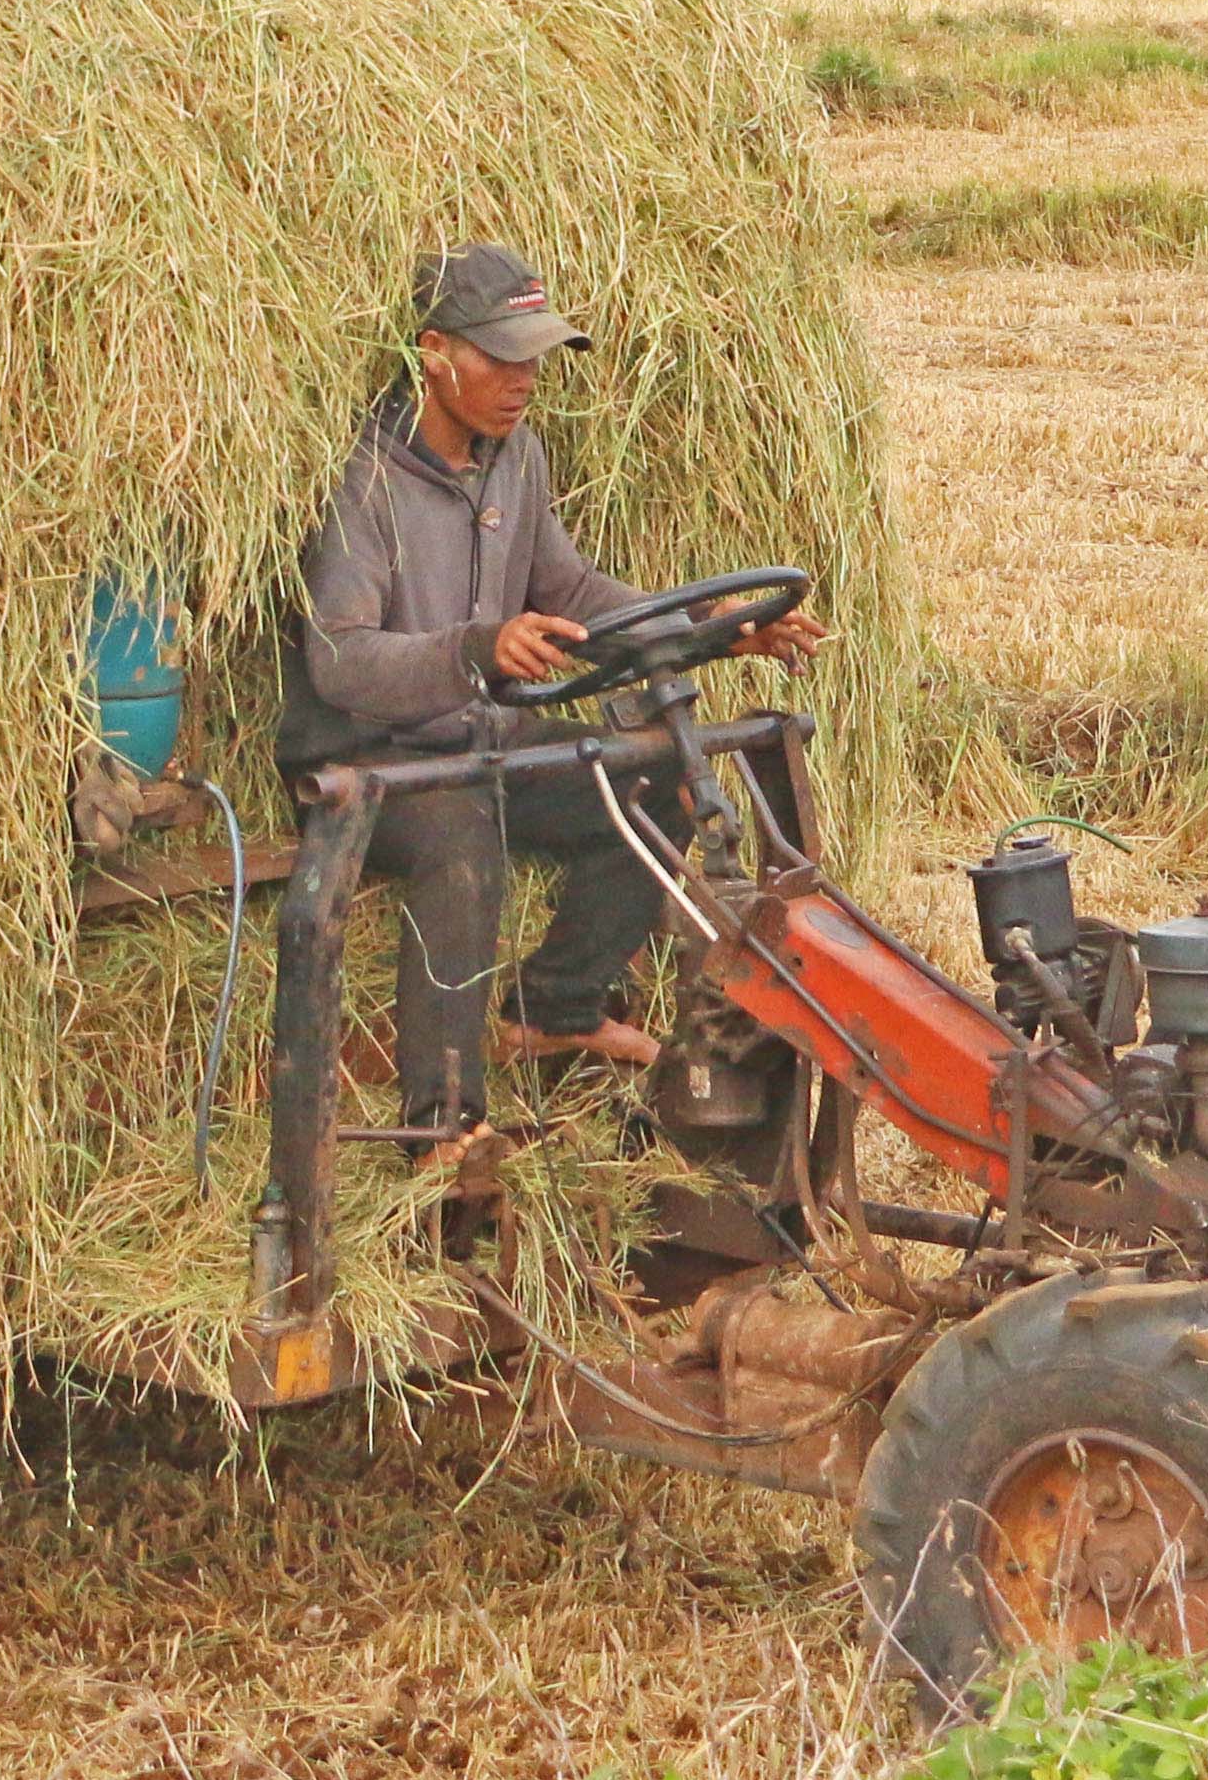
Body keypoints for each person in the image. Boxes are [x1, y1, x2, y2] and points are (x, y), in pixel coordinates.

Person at [278, 242, 830, 1128]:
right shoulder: (363, 480)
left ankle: (554, 1013)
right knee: (463, 848)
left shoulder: (514, 454)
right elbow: (339, 661)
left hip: (475, 738)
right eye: (503, 357)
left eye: (533, 355)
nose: (524, 377)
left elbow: (569, 592)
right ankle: (443, 1127)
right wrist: (477, 649)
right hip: (370, 758)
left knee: (649, 787)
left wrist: (718, 630)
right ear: (434, 354)